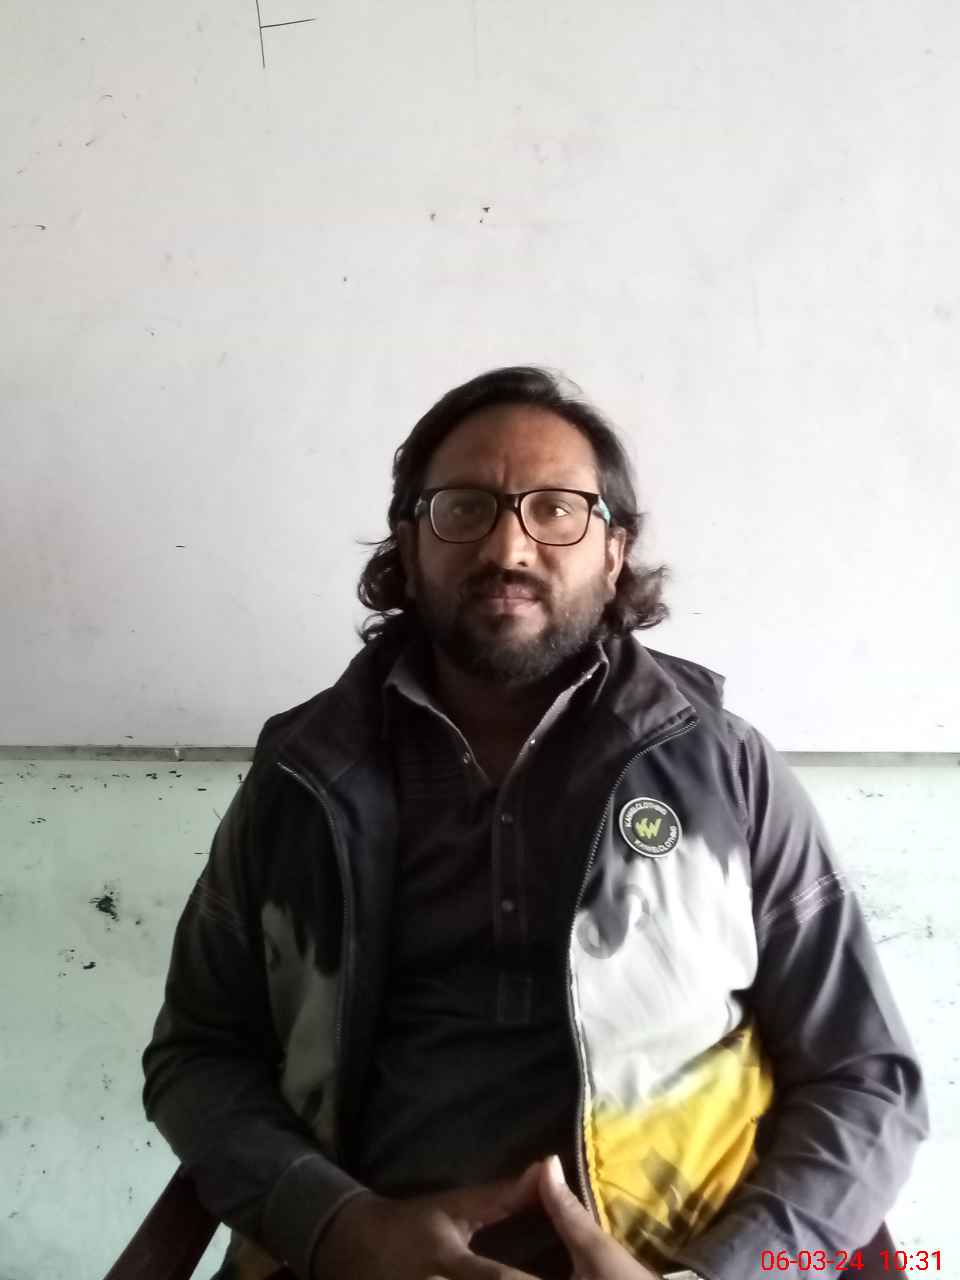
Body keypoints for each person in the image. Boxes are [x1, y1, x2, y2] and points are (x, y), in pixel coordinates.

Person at [143, 366, 928, 1280]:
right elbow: (199, 1053)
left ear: (614, 550)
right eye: (464, 508)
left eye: (556, 509)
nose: (508, 546)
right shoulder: (304, 777)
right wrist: (338, 1228)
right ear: (409, 543)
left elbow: (866, 1077)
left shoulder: (727, 772)